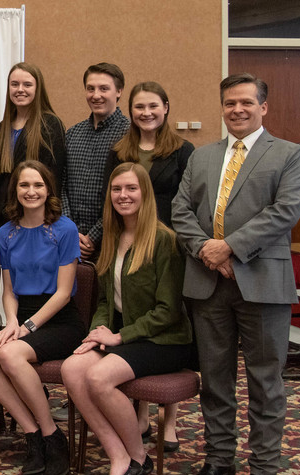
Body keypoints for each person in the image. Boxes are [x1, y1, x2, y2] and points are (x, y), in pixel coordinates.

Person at [172, 73, 300, 475]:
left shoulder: (288, 155)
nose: (238, 110)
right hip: (208, 283)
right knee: (215, 380)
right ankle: (219, 459)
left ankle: (264, 469)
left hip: (263, 284)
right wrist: (209, 253)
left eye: (246, 102)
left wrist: (229, 247)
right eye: (230, 103)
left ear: (263, 107)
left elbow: (284, 212)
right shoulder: (204, 156)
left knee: (266, 382)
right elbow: (180, 210)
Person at [61, 162, 194, 475]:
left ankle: (137, 456)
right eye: (117, 189)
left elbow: (169, 311)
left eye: (131, 188)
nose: (123, 195)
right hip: (128, 336)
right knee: (73, 368)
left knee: (98, 377)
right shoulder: (113, 236)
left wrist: (118, 337)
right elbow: (105, 301)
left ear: (145, 193)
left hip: (165, 339)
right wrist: (97, 333)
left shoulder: (165, 241)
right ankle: (117, 453)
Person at [0, 160, 83, 475]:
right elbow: (8, 290)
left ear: (48, 189)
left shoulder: (65, 229)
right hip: (19, 316)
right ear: (15, 190)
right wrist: (11, 322)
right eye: (24, 185)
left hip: (59, 320)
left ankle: (53, 436)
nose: (31, 191)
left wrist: (27, 328)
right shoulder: (6, 233)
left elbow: (64, 293)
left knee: (9, 353)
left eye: (38, 185)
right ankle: (33, 434)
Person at [106, 81, 196, 450]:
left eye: (153, 106)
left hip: (167, 242)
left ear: (166, 107)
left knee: (163, 322)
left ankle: (168, 420)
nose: (146, 113)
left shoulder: (182, 150)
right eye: (139, 107)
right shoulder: (121, 150)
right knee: (132, 318)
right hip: (128, 238)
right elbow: (111, 192)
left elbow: (189, 197)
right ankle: (140, 415)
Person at [62, 63, 131, 260]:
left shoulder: (129, 135)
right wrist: (71, 231)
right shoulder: (73, 134)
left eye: (104, 88)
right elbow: (62, 184)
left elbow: (128, 193)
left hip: (114, 239)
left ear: (118, 91)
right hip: (71, 240)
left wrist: (93, 236)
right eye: (90, 88)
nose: (96, 95)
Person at [0, 63, 66, 234]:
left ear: (38, 89)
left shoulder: (50, 125)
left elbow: (55, 178)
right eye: (14, 84)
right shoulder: (2, 128)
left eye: (27, 84)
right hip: (6, 219)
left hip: (38, 219)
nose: (20, 89)